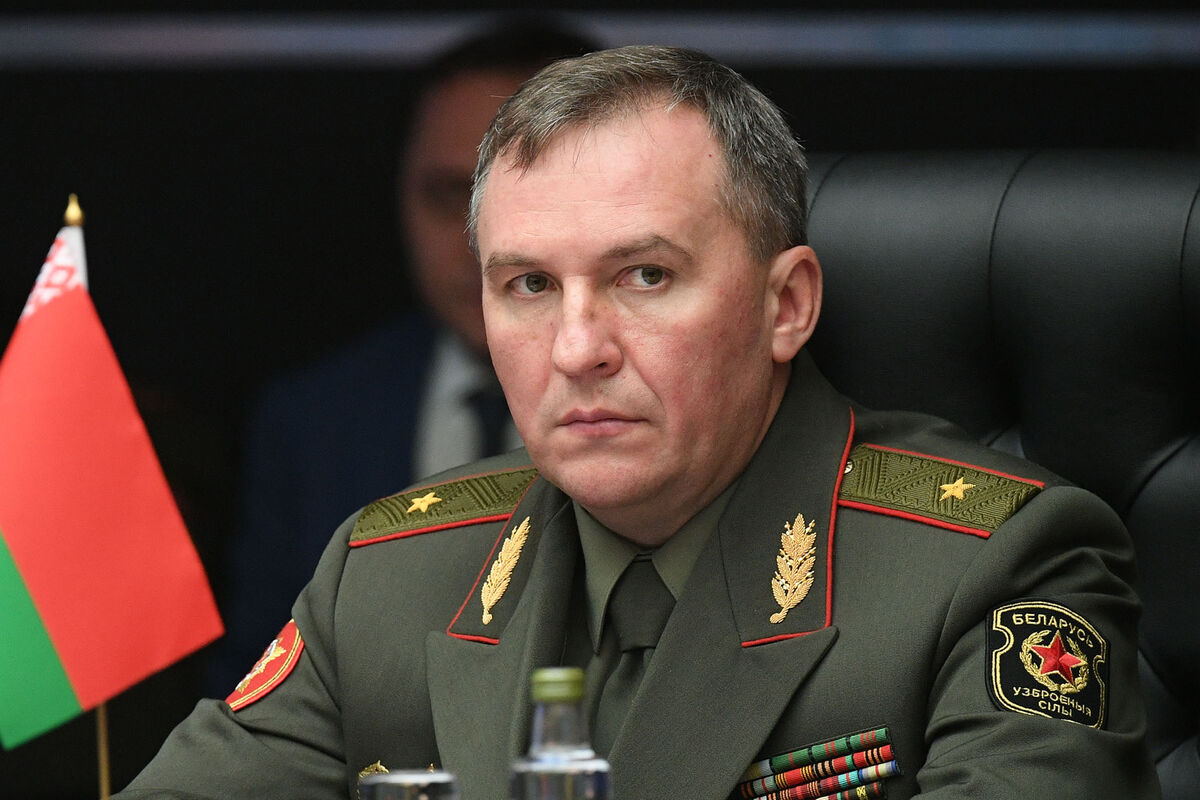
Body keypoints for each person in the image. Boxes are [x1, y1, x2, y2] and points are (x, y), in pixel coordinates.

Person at [120, 46, 1159, 799]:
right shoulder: (389, 575)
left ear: (787, 304)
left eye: (645, 275)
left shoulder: (998, 565)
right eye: (529, 285)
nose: (577, 347)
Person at [212, 20, 599, 690]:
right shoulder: (310, 422)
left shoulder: (687, 403)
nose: (483, 244)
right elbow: (252, 689)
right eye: (449, 196)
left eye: (525, 193)